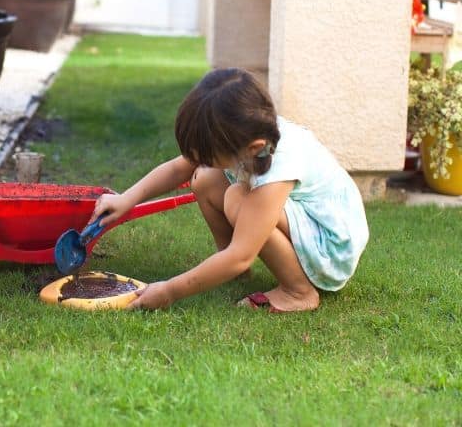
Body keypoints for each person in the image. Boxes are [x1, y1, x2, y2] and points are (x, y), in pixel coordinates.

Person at [93, 68, 369, 313]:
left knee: (237, 198)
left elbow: (242, 255)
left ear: (252, 148)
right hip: (309, 226)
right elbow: (180, 168)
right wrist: (126, 199)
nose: (202, 160)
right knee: (204, 178)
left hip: (330, 246)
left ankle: (297, 292)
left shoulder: (279, 167)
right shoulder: (248, 134)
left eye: (209, 155)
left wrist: (169, 291)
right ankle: (226, 267)